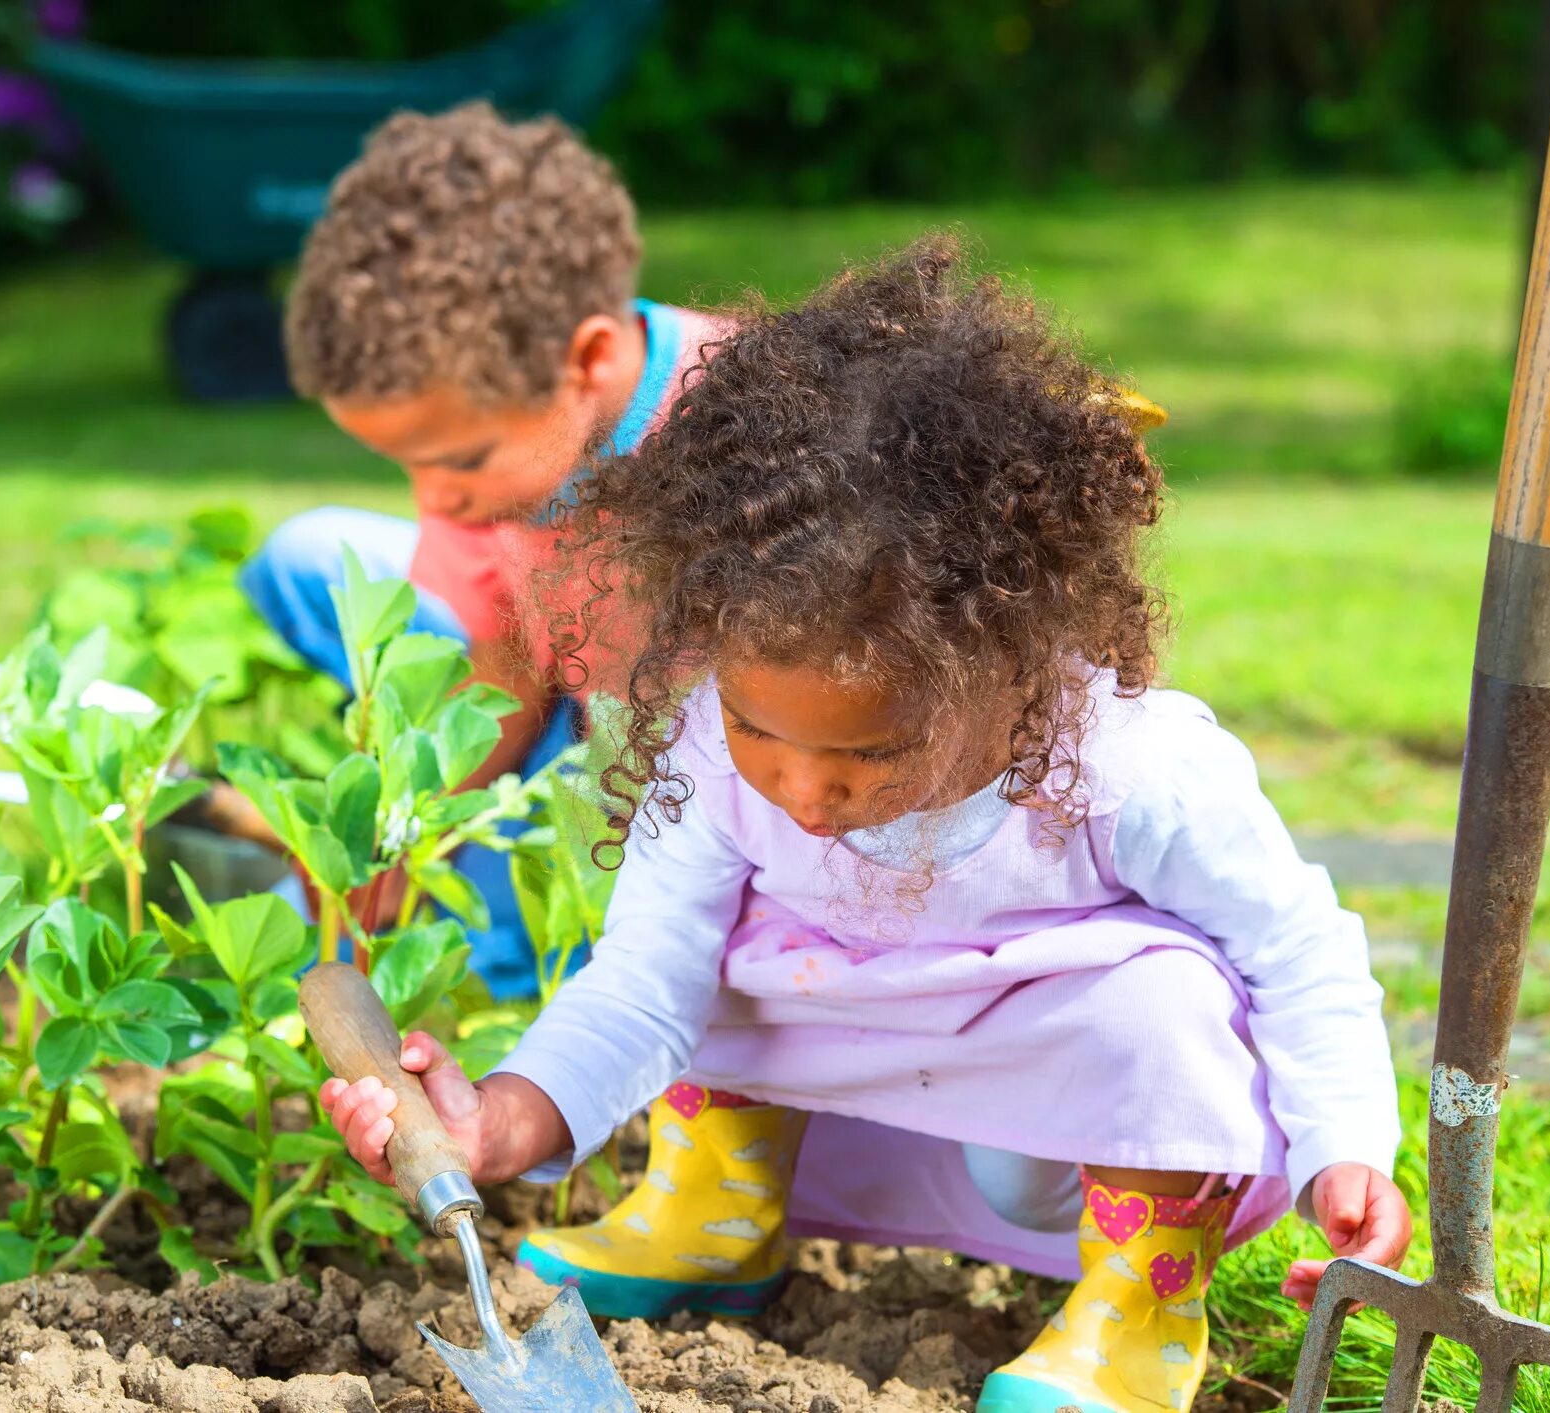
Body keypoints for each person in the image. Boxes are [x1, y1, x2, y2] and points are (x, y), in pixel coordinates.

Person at [318, 236, 1409, 1413]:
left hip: (1062, 1109)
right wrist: (499, 1121)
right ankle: (716, 1215)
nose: (801, 789)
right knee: (716, 948)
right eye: (755, 727)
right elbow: (639, 986)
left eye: (868, 752)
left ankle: (1136, 1309)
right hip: (857, 1054)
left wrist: (1344, 1149)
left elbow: (1294, 953)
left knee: (1168, 998)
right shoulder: (707, 743)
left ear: (1008, 661)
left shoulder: (1128, 765)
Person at [227, 102, 731, 998]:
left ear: (586, 358)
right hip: (589, 715)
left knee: (579, 946)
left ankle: (523, 978)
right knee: (314, 560)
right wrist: (406, 830)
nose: (433, 500)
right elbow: (498, 672)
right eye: (407, 464)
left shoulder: (745, 429)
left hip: (725, 772)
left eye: (455, 459)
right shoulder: (516, 448)